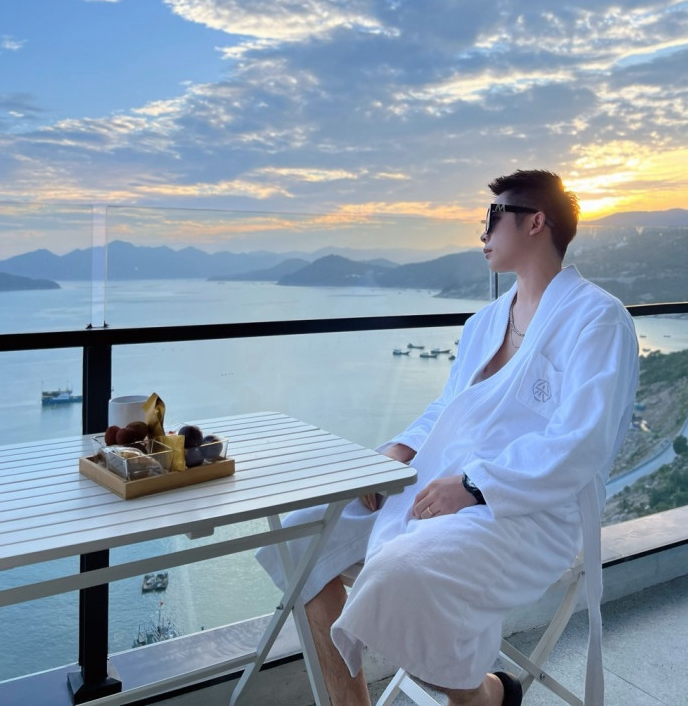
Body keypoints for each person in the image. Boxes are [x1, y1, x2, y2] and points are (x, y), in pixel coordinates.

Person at [257, 170, 639, 706]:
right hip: (442, 482)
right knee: (300, 531)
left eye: (493, 217)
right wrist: (401, 450)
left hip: (529, 509)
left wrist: (476, 485)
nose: (482, 232)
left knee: (401, 573)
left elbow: (583, 441)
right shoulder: (485, 322)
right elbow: (449, 407)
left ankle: (486, 695)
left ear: (536, 222)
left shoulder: (597, 319)